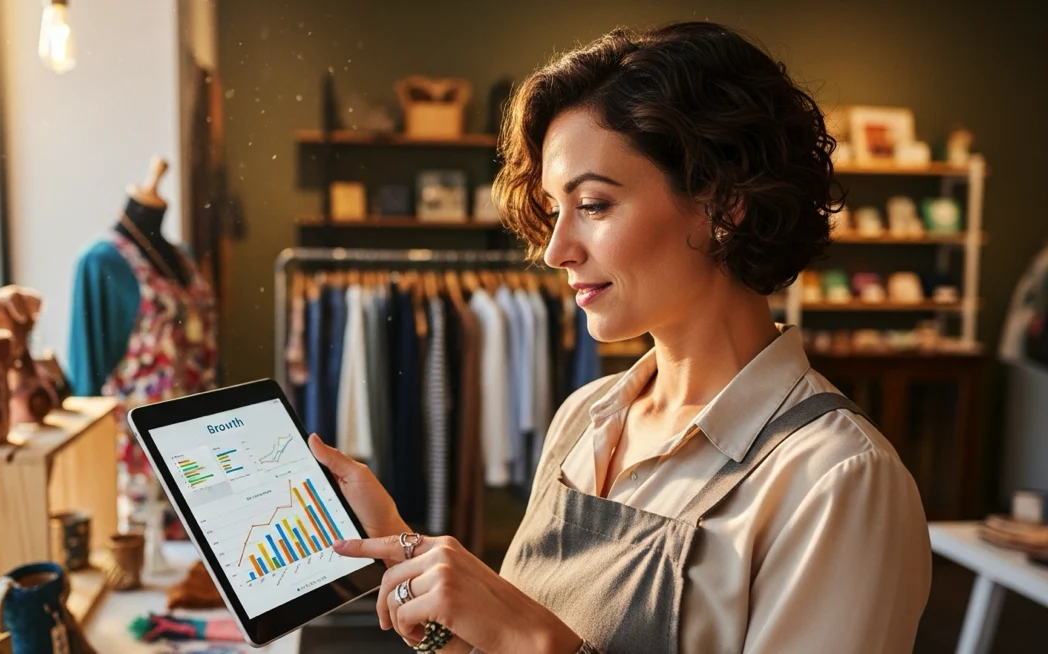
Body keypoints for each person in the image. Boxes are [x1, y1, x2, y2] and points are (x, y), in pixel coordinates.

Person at [309, 21, 932, 654]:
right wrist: (403, 556)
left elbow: (531, 644)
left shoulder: (838, 481)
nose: (556, 251)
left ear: (725, 203)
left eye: (595, 205)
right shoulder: (584, 419)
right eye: (555, 210)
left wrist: (537, 642)